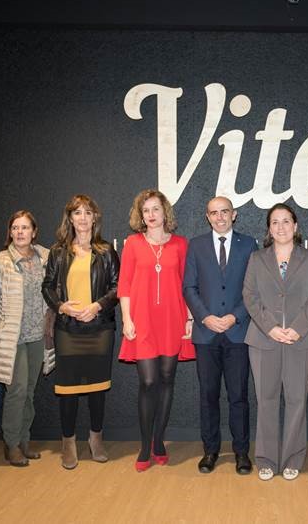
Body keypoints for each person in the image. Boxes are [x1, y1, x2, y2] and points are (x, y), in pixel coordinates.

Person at [243, 203, 308, 481]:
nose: (281, 227)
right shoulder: (257, 259)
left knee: (296, 400)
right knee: (266, 400)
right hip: (263, 340)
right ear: (269, 228)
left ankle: (292, 458)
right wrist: (270, 327)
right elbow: (250, 296)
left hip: (301, 341)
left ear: (295, 225)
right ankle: (266, 459)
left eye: (286, 221)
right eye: (275, 222)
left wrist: (297, 328)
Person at [119, 189, 195, 472]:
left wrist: (189, 319)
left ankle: (159, 442)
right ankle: (144, 445)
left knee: (166, 379)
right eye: (146, 210)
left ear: (165, 213)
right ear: (140, 216)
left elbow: (187, 285)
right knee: (148, 382)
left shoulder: (181, 244)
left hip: (173, 319)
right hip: (142, 320)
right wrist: (127, 319)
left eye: (155, 209)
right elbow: (125, 285)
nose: (151, 215)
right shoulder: (132, 243)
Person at [42, 195, 119, 470]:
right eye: (77, 213)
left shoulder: (106, 251)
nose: (83, 218)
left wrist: (97, 306)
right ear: (70, 218)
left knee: (98, 388)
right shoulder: (58, 251)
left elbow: (117, 287)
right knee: (68, 390)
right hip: (68, 329)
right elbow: (47, 286)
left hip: (100, 329)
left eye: (88, 212)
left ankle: (96, 439)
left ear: (94, 218)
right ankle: (68, 442)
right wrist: (62, 307)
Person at [183, 196, 258, 475]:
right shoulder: (196, 245)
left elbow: (253, 289)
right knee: (208, 396)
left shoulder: (248, 245)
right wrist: (205, 317)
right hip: (206, 334)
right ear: (207, 217)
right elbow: (189, 287)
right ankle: (210, 451)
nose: (220, 217)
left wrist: (234, 316)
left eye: (224, 211)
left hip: (238, 333)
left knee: (239, 397)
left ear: (234, 214)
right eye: (214, 213)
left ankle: (241, 452)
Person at [0, 210, 50, 467]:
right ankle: (11, 445)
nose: (20, 232)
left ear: (34, 232)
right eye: (15, 228)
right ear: (10, 232)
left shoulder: (45, 257)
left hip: (37, 335)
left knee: (29, 391)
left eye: (25, 227)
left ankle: (24, 440)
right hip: (12, 337)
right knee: (17, 390)